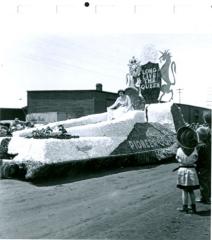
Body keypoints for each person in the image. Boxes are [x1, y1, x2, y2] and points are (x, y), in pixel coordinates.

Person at [175, 126, 200, 213]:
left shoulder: (179, 150)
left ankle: (185, 206)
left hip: (182, 171)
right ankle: (194, 207)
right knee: (191, 191)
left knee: (184, 191)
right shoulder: (195, 150)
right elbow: (196, 159)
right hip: (192, 170)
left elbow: (178, 159)